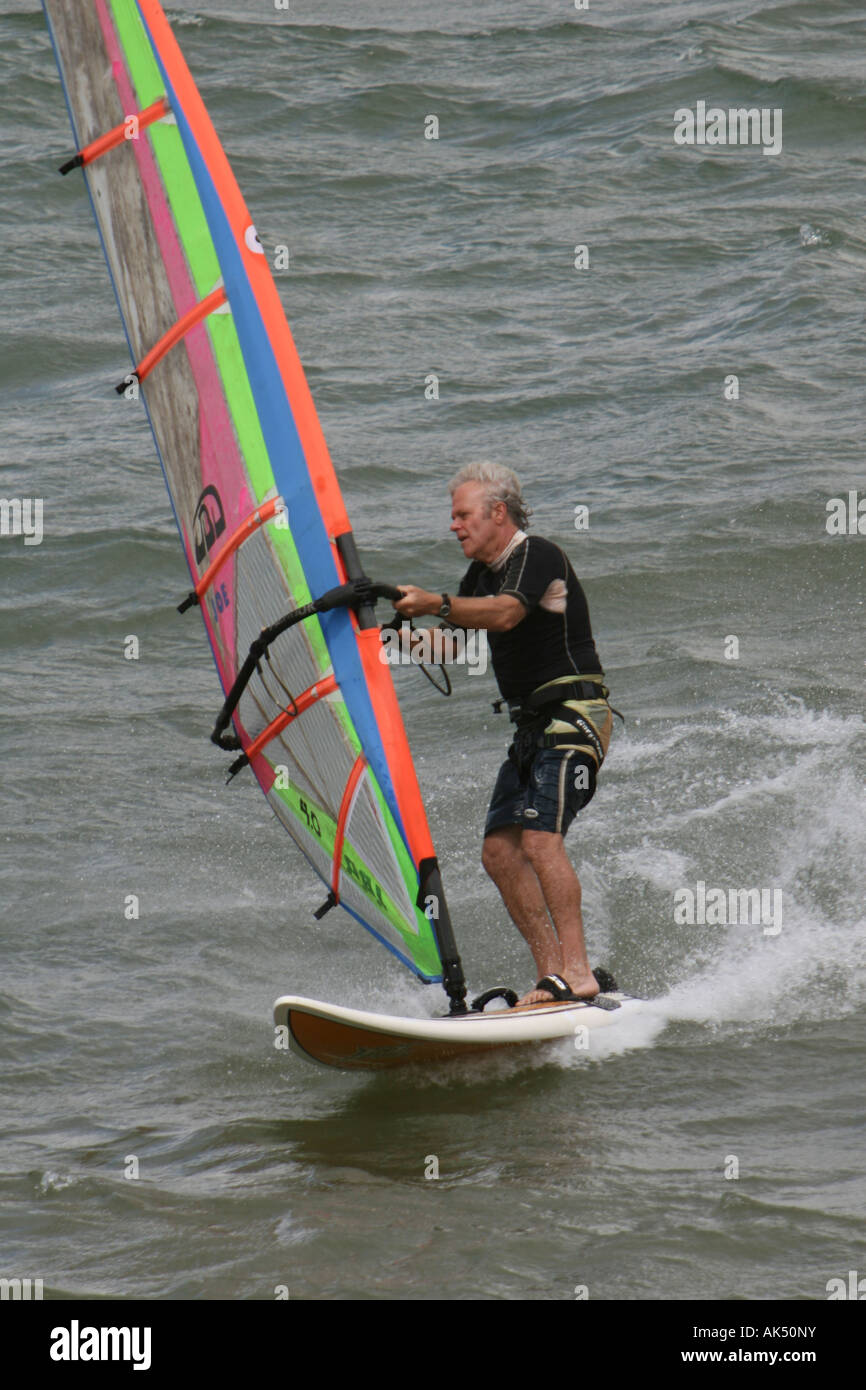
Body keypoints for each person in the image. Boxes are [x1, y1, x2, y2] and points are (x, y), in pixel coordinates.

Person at [393, 461, 614, 1006]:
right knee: (498, 853)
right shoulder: (483, 578)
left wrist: (436, 602)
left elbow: (506, 616)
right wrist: (377, 639)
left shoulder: (537, 555)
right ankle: (552, 976)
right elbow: (450, 645)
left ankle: (579, 972)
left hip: (574, 719)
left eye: (462, 515)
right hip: (531, 733)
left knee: (540, 840)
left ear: (498, 512)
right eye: (452, 516)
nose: (453, 526)